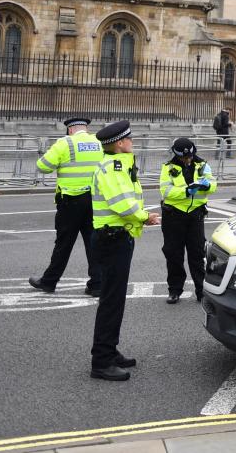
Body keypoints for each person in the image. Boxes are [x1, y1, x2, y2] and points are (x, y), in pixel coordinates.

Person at [89, 121, 160, 381]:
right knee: (110, 301)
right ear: (120, 143)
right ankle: (102, 361)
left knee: (114, 300)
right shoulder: (113, 168)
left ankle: (110, 350)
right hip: (112, 238)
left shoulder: (117, 165)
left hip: (117, 237)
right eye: (129, 139)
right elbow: (122, 204)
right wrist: (145, 217)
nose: (132, 142)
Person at [29, 117, 104, 296]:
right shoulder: (99, 142)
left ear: (70, 130)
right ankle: (97, 284)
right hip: (94, 200)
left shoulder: (64, 143)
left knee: (63, 244)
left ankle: (49, 282)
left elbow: (43, 166)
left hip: (70, 201)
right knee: (93, 242)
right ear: (86, 128)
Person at [159, 137, 216, 304]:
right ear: (177, 156)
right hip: (173, 216)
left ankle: (201, 290)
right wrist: (187, 191)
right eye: (184, 158)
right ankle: (175, 290)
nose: (188, 159)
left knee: (197, 254)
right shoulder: (168, 168)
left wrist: (207, 186)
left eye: (190, 156)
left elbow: (213, 183)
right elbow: (166, 191)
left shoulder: (202, 165)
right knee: (174, 254)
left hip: (195, 215)